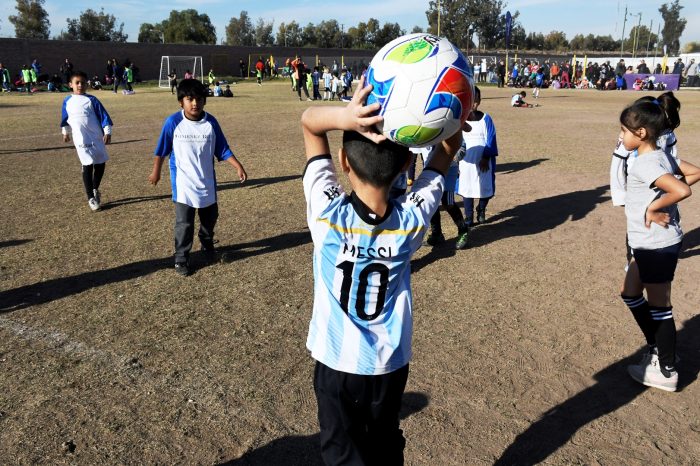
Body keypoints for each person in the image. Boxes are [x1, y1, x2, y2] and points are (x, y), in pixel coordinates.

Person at [301, 76, 463, 465]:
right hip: (388, 365)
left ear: (343, 162)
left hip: (336, 363)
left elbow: (309, 122)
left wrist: (344, 115)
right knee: (386, 440)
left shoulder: (326, 214)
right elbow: (443, 156)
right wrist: (451, 123)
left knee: (342, 449)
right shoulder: (412, 220)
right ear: (408, 164)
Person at [618, 93, 700, 392]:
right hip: (648, 242)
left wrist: (654, 207)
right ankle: (656, 346)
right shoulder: (659, 156)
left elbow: (682, 188)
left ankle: (666, 369)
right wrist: (659, 198)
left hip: (656, 244)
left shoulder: (645, 164)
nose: (621, 136)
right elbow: (694, 172)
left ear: (641, 134)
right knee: (629, 293)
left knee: (660, 306)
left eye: (625, 131)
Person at [149, 79, 247, 276]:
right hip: (183, 184)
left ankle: (206, 241)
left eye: (199, 99)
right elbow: (161, 151)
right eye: (190, 98)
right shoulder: (173, 123)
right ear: (181, 102)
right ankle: (181, 259)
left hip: (206, 183)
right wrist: (156, 171)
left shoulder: (210, 122)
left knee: (210, 218)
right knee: (184, 224)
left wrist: (237, 165)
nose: (195, 103)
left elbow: (222, 149)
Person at [60, 71, 113, 212]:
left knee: (100, 163)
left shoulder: (92, 100)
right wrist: (65, 132)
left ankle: (95, 188)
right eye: (77, 82)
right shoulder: (67, 101)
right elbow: (65, 119)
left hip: (96, 137)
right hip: (80, 139)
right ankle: (90, 197)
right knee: (87, 164)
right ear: (70, 85)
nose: (80, 85)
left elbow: (104, 117)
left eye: (83, 82)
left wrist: (107, 131)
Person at [458, 86, 498, 232]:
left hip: (483, 161)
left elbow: (491, 139)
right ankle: (469, 217)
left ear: (479, 101)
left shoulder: (486, 118)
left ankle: (481, 209)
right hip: (466, 162)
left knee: (485, 188)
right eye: (471, 100)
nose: (474, 103)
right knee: (467, 188)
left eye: (476, 100)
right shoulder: (460, 118)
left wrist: (486, 157)